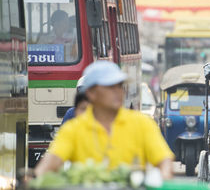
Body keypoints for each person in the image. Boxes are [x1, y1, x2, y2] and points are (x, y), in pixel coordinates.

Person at [35, 61, 174, 179]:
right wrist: (35, 178)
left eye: (119, 86)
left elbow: (164, 160)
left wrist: (163, 178)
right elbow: (52, 161)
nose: (118, 92)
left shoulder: (142, 123)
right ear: (91, 93)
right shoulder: (73, 128)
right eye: (110, 87)